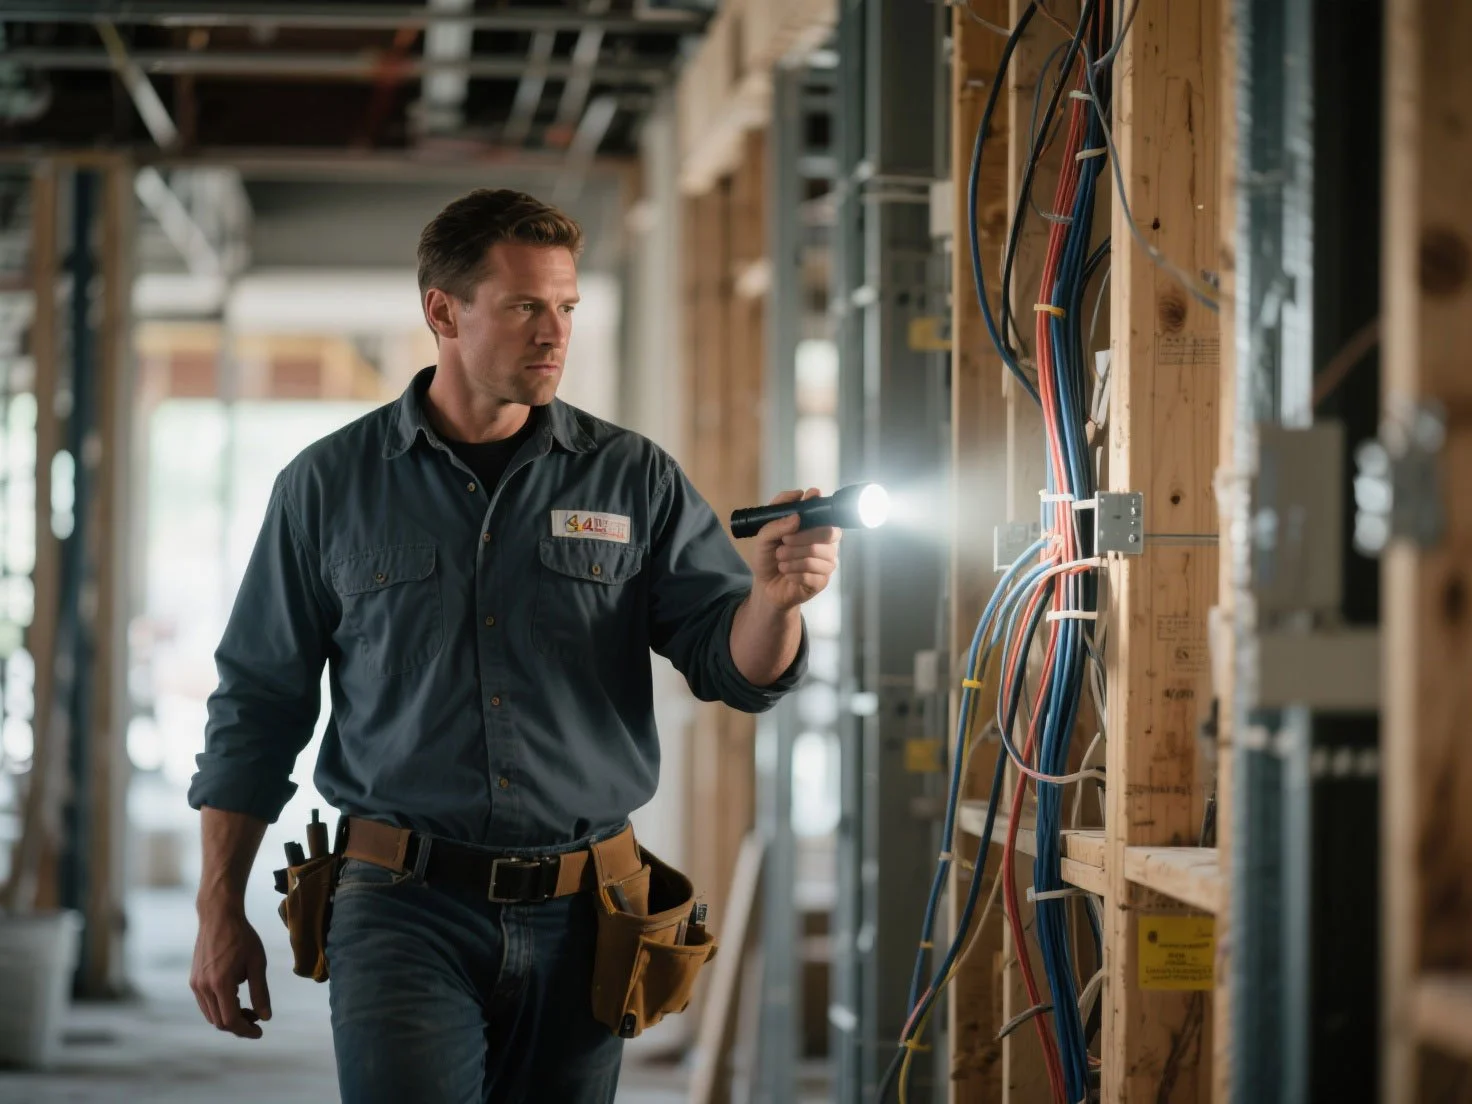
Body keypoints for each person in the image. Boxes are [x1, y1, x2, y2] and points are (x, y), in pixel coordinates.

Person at [185, 188, 840, 1103]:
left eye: (566, 307)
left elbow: (732, 667)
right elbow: (257, 704)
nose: (554, 333)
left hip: (589, 913)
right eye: (526, 305)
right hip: (400, 906)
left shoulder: (633, 477)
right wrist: (220, 902)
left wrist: (776, 601)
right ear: (442, 312)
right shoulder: (327, 487)